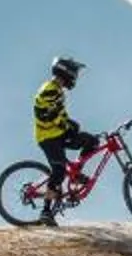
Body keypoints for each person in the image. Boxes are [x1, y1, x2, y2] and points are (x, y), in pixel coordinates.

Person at [32, 57, 99, 220]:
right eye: (74, 74)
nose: (75, 78)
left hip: (58, 134)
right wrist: (66, 126)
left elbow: (58, 113)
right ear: (66, 73)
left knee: (91, 141)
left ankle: (75, 174)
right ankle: (46, 212)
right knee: (59, 171)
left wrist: (69, 123)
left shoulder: (57, 90)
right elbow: (45, 115)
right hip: (48, 138)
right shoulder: (49, 90)